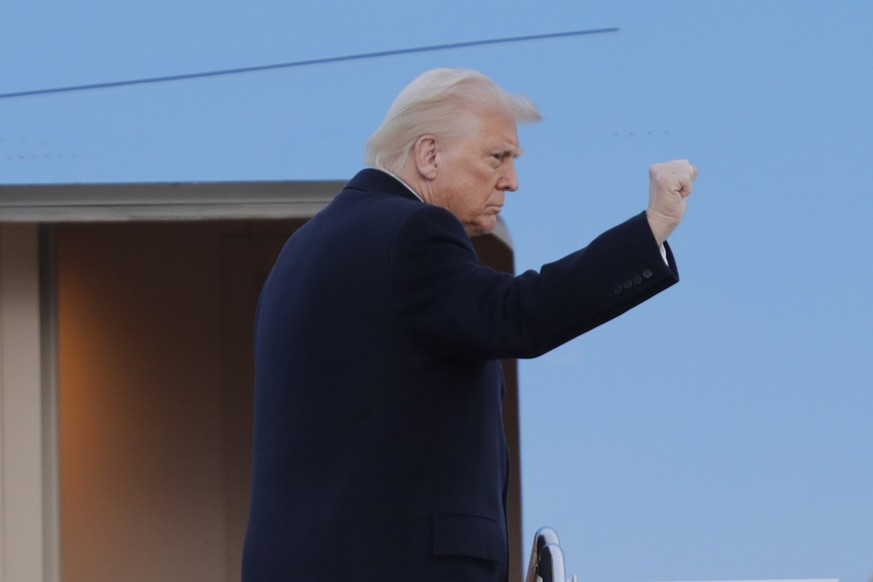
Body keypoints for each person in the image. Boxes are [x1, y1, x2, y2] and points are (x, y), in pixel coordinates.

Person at [241, 68, 696, 582]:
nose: (511, 180)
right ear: (429, 155)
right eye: (496, 157)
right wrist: (652, 228)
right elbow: (516, 315)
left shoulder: (298, 252)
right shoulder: (412, 229)